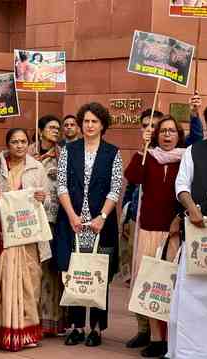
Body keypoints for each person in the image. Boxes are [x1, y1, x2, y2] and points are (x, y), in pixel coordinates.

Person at [125, 93, 203, 350]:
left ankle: (169, 341)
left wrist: (195, 113)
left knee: (168, 287)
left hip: (174, 233)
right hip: (148, 231)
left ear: (178, 135)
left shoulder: (186, 158)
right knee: (148, 283)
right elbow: (133, 176)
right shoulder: (151, 157)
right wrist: (141, 148)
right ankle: (154, 338)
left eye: (171, 131)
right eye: (162, 131)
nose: (167, 135)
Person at [54, 102, 123, 347]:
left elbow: (115, 189)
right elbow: (61, 184)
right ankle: (75, 327)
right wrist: (72, 215)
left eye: (94, 121)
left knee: (97, 272)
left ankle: (95, 328)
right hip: (73, 222)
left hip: (100, 225)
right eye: (86, 121)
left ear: (103, 125)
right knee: (73, 271)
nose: (89, 125)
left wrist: (102, 218)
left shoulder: (112, 152)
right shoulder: (68, 150)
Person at [0, 128, 50, 352]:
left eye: (23, 141)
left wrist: (43, 197)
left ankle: (28, 331)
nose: (20, 145)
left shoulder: (37, 167)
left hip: (29, 237)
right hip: (4, 236)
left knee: (29, 284)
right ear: (7, 144)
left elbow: (46, 199)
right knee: (4, 284)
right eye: (15, 142)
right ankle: (5, 332)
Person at [167, 104, 207, 359]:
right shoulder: (194, 151)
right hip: (199, 234)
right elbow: (182, 184)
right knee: (192, 300)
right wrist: (191, 207)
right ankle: (190, 352)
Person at [28, 115, 67, 336]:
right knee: (34, 271)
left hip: (54, 220)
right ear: (40, 130)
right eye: (51, 127)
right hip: (30, 219)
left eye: (57, 128)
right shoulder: (27, 152)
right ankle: (31, 319)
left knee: (52, 272)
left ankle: (52, 321)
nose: (56, 131)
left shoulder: (62, 156)